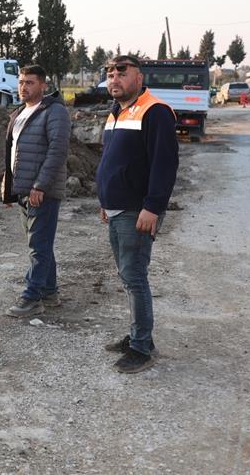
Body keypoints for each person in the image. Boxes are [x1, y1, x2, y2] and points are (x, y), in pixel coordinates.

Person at [96, 55, 178, 374]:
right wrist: (105, 201)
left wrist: (153, 206)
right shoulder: (116, 111)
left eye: (121, 72)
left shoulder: (155, 111)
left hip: (137, 210)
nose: (114, 78)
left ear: (139, 78)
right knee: (127, 276)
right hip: (117, 208)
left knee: (134, 277)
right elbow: (111, 160)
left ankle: (142, 348)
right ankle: (138, 335)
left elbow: (164, 164)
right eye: (109, 74)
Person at [0, 65, 70, 317]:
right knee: (40, 244)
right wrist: (8, 183)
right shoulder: (19, 112)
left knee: (38, 246)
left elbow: (57, 151)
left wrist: (40, 185)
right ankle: (49, 292)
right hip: (23, 189)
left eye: (29, 82)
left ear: (43, 85)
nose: (23, 87)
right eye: (21, 82)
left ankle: (32, 297)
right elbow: (14, 151)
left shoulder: (54, 112)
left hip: (41, 191)